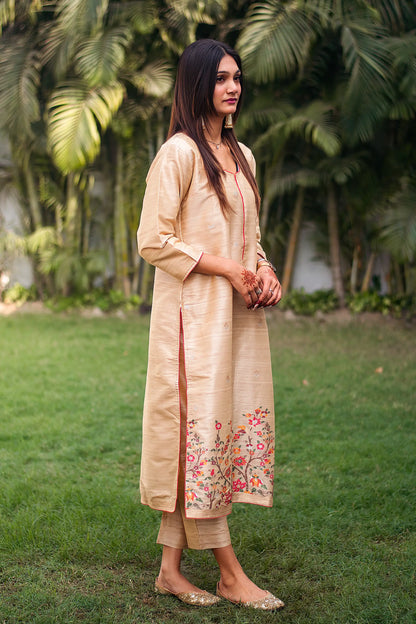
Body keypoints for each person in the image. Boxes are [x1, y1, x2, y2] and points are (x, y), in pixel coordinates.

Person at [137, 38, 283, 610]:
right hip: (192, 320)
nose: (233, 87)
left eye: (237, 78)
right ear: (198, 84)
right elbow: (153, 239)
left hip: (237, 319)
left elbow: (248, 235)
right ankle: (229, 573)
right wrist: (225, 268)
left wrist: (264, 269)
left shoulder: (242, 154)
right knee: (199, 434)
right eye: (221, 78)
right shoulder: (178, 153)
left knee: (207, 434)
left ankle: (170, 570)